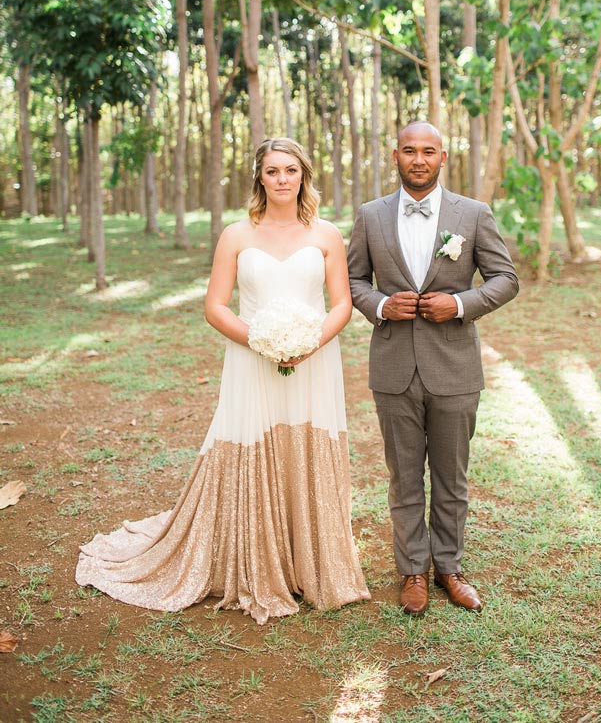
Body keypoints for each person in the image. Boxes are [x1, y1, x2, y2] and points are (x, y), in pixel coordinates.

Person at [76, 137, 369, 624]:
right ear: (259, 177)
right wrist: (260, 341)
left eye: (290, 170)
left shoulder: (327, 235)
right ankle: (259, 563)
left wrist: (309, 342)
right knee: (252, 443)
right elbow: (214, 306)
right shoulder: (237, 234)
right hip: (251, 359)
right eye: (272, 171)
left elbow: (342, 303)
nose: (281, 179)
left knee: (307, 440)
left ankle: (314, 565)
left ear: (304, 175)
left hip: (315, 359)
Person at [347, 121, 518, 616]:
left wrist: (461, 304)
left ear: (443, 157)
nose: (418, 159)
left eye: (428, 151)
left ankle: (450, 568)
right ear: (394, 156)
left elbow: (505, 278)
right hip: (394, 367)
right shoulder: (369, 216)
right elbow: (354, 280)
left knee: (451, 476)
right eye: (408, 151)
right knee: (403, 478)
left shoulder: (473, 214)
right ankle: (413, 572)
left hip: (455, 367)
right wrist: (380, 306)